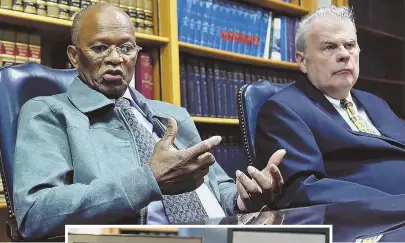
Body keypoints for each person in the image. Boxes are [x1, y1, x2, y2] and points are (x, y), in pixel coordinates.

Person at [13, 3, 285, 240]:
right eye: (99, 48)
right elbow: (34, 213)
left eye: (126, 48)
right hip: (139, 239)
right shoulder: (48, 112)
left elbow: (219, 186)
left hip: (221, 234)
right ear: (74, 56)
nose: (116, 58)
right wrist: (148, 180)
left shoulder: (173, 114)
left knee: (313, 238)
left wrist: (244, 198)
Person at [255, 6, 405, 209]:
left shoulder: (375, 103)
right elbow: (303, 189)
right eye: (329, 47)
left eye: (350, 45)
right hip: (372, 225)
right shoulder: (283, 110)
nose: (344, 55)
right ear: (302, 61)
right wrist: (396, 203)